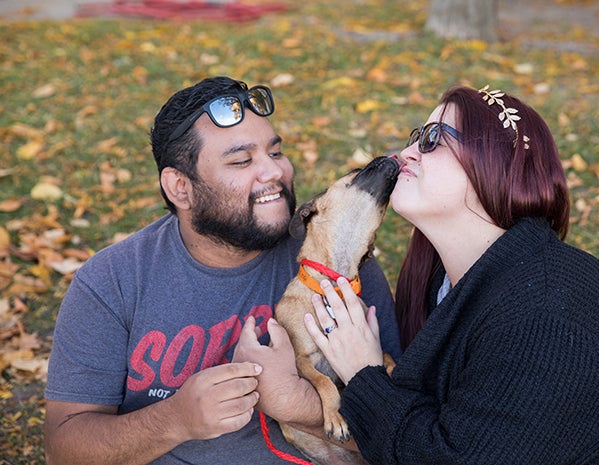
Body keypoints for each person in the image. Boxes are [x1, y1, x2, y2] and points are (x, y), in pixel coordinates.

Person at [304, 85, 599, 464]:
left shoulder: (545, 310)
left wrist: (363, 373)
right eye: (417, 136)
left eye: (433, 141)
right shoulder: (446, 281)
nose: (407, 152)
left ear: (492, 166)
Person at [43, 76, 402, 465]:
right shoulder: (113, 281)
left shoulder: (335, 265)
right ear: (180, 187)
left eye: (275, 152)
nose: (273, 172)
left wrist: (300, 406)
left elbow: (405, 437)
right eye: (241, 161)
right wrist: (177, 420)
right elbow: (65, 451)